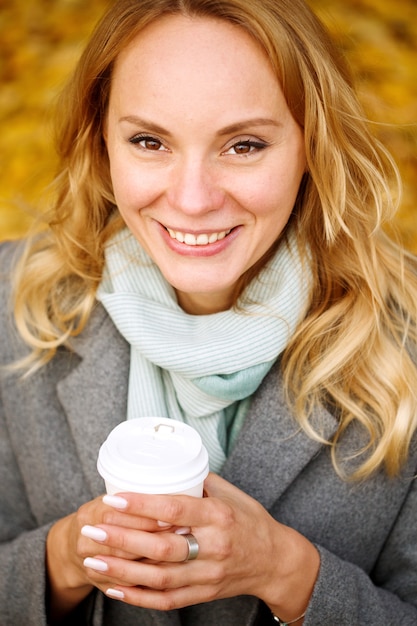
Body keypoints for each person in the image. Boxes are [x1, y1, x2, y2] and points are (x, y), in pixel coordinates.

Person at [1, 0, 416, 624]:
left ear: (312, 145)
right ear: (102, 142)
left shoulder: (406, 336)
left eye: (244, 145)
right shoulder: (12, 297)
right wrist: (64, 558)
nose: (193, 199)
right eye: (149, 141)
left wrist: (286, 572)